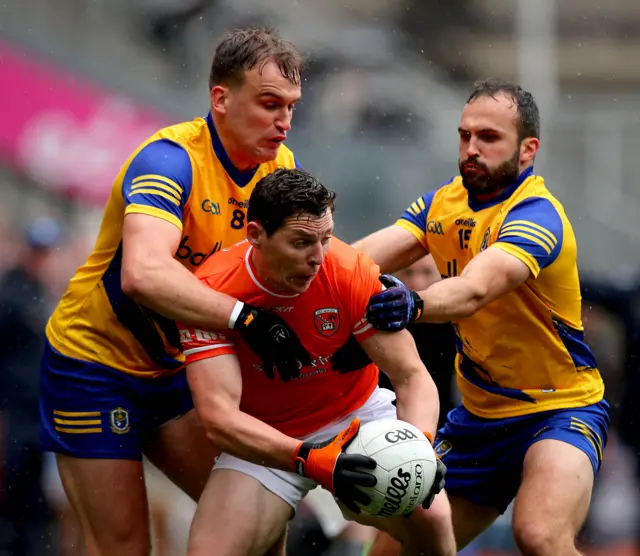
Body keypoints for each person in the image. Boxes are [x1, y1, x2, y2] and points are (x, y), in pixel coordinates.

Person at [38, 27, 311, 556]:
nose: (283, 121)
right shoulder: (169, 160)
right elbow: (143, 274)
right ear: (221, 99)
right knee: (124, 547)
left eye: (292, 107)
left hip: (175, 369)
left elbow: (302, 270)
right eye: (269, 103)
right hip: (93, 367)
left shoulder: (281, 170)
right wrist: (245, 319)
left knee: (256, 531)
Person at [338, 79, 610, 556]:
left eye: (488, 138)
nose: (471, 149)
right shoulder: (440, 205)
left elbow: (474, 289)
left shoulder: (537, 216)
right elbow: (355, 260)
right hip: (479, 421)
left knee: (539, 535)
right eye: (464, 136)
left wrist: (413, 304)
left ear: (528, 150)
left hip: (559, 410)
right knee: (392, 552)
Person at [178, 168, 455, 556]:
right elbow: (219, 421)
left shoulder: (349, 269)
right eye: (301, 242)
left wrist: (420, 446)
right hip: (268, 438)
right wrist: (312, 460)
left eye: (326, 239)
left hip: (358, 417)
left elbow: (411, 376)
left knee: (435, 519)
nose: (318, 258)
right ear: (255, 235)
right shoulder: (209, 292)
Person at [0, 218, 62, 555]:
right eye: (38, 250)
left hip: (37, 411)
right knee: (9, 487)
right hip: (10, 411)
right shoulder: (8, 292)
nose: (42, 258)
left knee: (32, 493)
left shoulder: (43, 293)